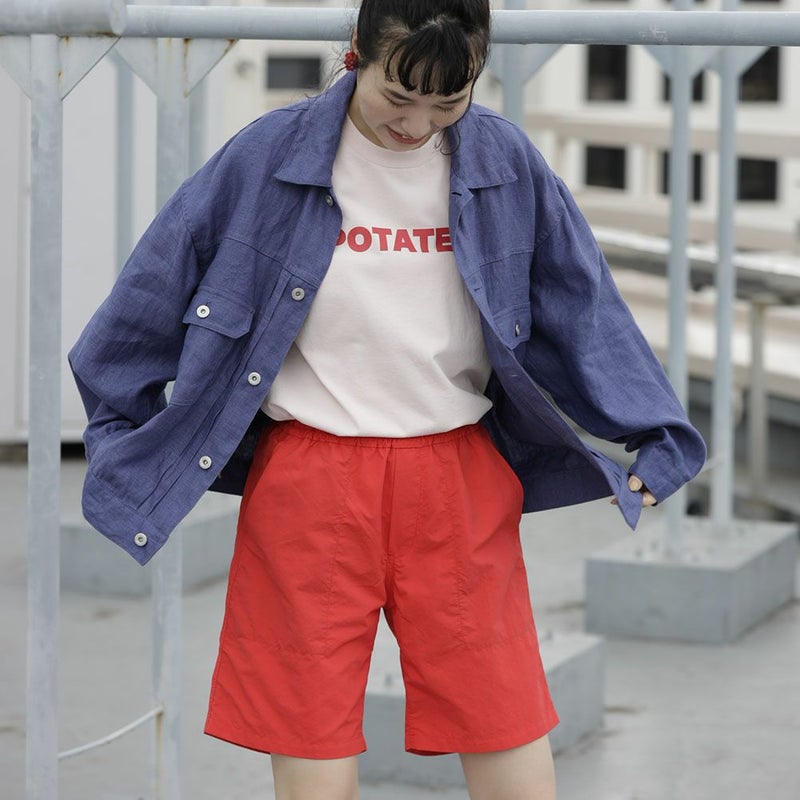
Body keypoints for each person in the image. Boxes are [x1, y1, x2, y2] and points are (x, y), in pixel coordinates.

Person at [68, 1, 706, 797]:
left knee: (503, 723)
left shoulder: (504, 161)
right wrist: (121, 439)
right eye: (398, 97)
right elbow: (149, 292)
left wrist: (656, 433)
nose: (417, 124)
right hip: (308, 481)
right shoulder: (267, 156)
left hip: (457, 476)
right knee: (311, 742)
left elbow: (582, 299)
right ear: (356, 52)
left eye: (448, 102)